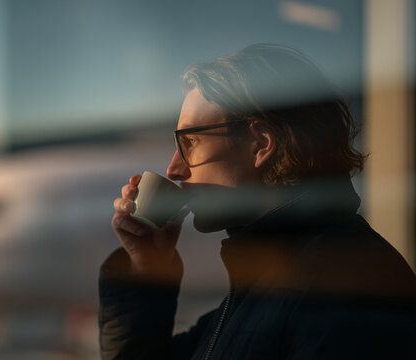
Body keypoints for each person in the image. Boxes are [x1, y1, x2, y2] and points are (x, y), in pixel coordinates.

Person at [99, 44, 416, 359]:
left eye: (190, 142)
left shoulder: (347, 288)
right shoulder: (270, 288)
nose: (174, 169)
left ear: (261, 144)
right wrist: (146, 268)